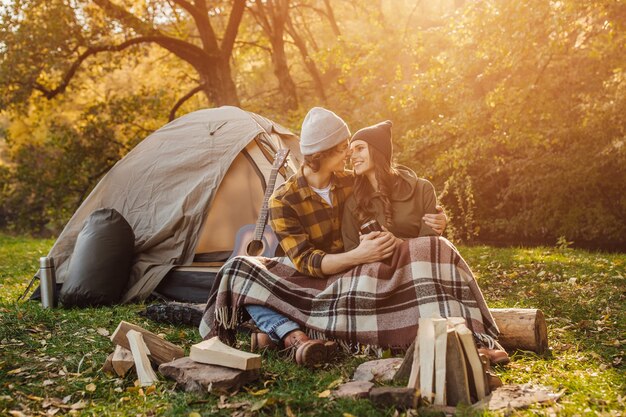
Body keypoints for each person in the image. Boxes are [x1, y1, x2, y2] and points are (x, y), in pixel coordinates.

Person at [199, 107, 502, 367]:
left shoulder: (351, 183)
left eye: (352, 147)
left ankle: (280, 334)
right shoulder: (283, 200)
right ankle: (294, 337)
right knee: (241, 268)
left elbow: (395, 182)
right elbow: (305, 261)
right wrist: (358, 255)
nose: (349, 153)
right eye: (344, 147)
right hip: (315, 275)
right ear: (323, 153)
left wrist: (435, 220)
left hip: (352, 276)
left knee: (424, 254)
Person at [342, 120, 509, 364]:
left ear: (377, 152)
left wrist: (398, 243)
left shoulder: (421, 189)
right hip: (379, 273)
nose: (352, 156)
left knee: (433, 250)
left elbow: (430, 244)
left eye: (359, 148)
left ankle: (474, 342)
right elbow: (350, 251)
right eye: (350, 151)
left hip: (422, 272)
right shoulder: (353, 203)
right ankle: (438, 343)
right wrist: (369, 248)